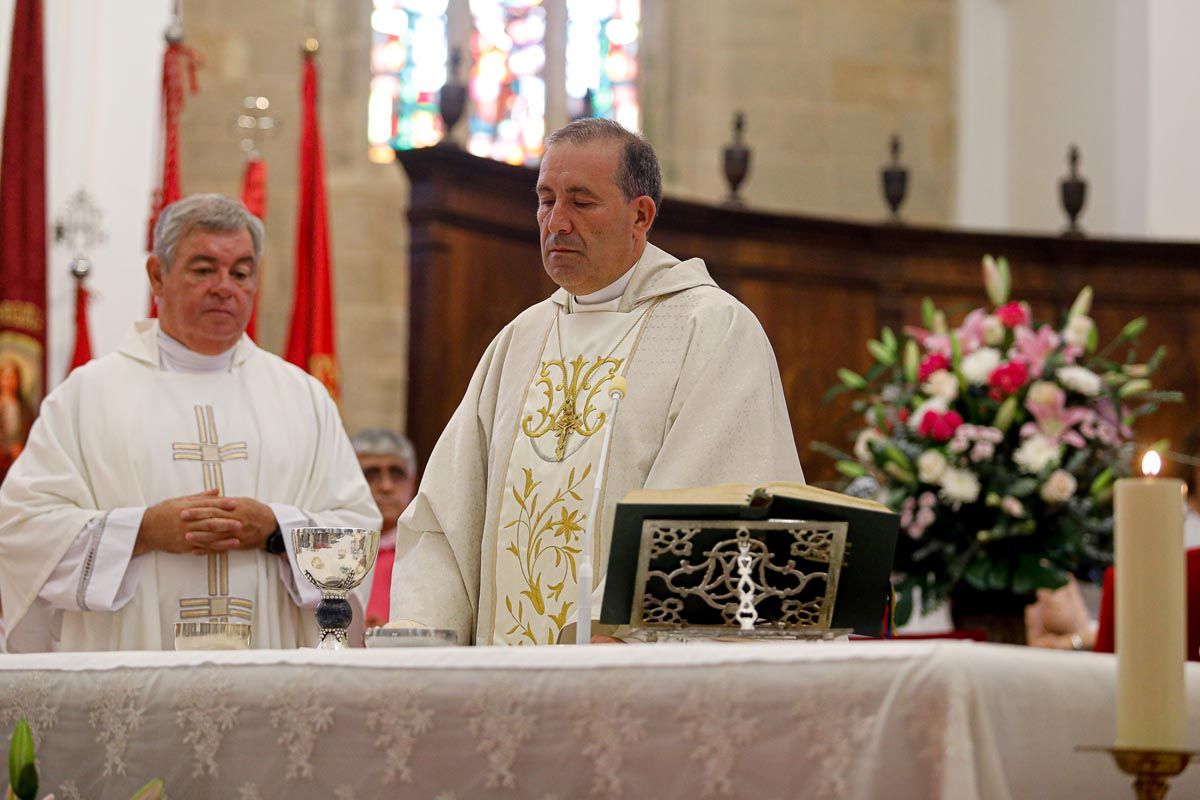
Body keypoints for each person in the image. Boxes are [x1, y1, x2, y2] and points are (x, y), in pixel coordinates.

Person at [389, 118, 804, 646]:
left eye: (581, 203)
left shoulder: (712, 329)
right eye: (545, 200)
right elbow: (447, 519)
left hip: (630, 681)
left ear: (641, 215)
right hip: (500, 685)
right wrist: (423, 635)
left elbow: (719, 511)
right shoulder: (521, 339)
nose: (556, 222)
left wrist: (619, 627)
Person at [0, 194, 379, 652]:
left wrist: (276, 530)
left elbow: (357, 540)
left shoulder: (303, 398)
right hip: (134, 671)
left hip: (268, 669)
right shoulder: (86, 396)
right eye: (204, 269)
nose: (225, 287)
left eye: (240, 272)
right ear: (157, 276)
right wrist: (143, 531)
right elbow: (22, 531)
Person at [351, 428, 419, 628]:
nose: (386, 486)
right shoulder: (336, 550)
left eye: (396, 474)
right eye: (372, 474)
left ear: (412, 483)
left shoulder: (427, 548)